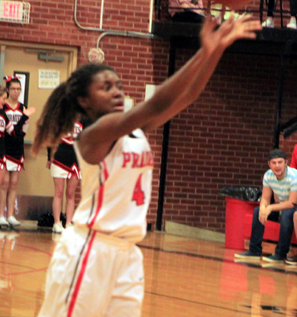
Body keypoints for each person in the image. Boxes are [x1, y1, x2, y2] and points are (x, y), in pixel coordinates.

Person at [32, 15, 261, 317]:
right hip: (90, 250)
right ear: (85, 101)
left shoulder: (134, 129)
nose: (116, 91)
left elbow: (188, 96)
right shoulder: (93, 135)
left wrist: (217, 49)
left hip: (128, 254)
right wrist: (203, 51)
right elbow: (153, 105)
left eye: (118, 85)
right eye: (105, 87)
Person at [0, 84, 35, 231]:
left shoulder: (3, 114)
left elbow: (14, 132)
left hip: (0, 155)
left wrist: (24, 117)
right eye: (3, 99)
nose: (5, 101)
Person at [235, 149, 297, 262]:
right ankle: (254, 250)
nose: (277, 166)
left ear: (286, 163)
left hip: (293, 206)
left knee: (286, 215)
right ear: (269, 164)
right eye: (274, 163)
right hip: (281, 205)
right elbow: (265, 198)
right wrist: (264, 208)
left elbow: (292, 203)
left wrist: (270, 207)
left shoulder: (294, 176)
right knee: (258, 211)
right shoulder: (268, 176)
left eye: (280, 162)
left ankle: (281, 254)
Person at [46, 87, 86, 233]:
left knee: (71, 194)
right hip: (60, 157)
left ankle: (69, 222)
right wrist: (49, 157)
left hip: (76, 159)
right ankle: (57, 222)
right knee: (59, 192)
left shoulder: (84, 120)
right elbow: (51, 139)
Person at [0, 76, 33, 228]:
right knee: (3, 183)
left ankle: (10, 215)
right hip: (4, 147)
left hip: (17, 149)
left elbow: (23, 132)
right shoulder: (2, 107)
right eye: (13, 89)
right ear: (7, 90)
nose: (16, 91)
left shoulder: (23, 108)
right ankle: (0, 215)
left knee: (13, 184)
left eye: (18, 89)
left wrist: (16, 131)